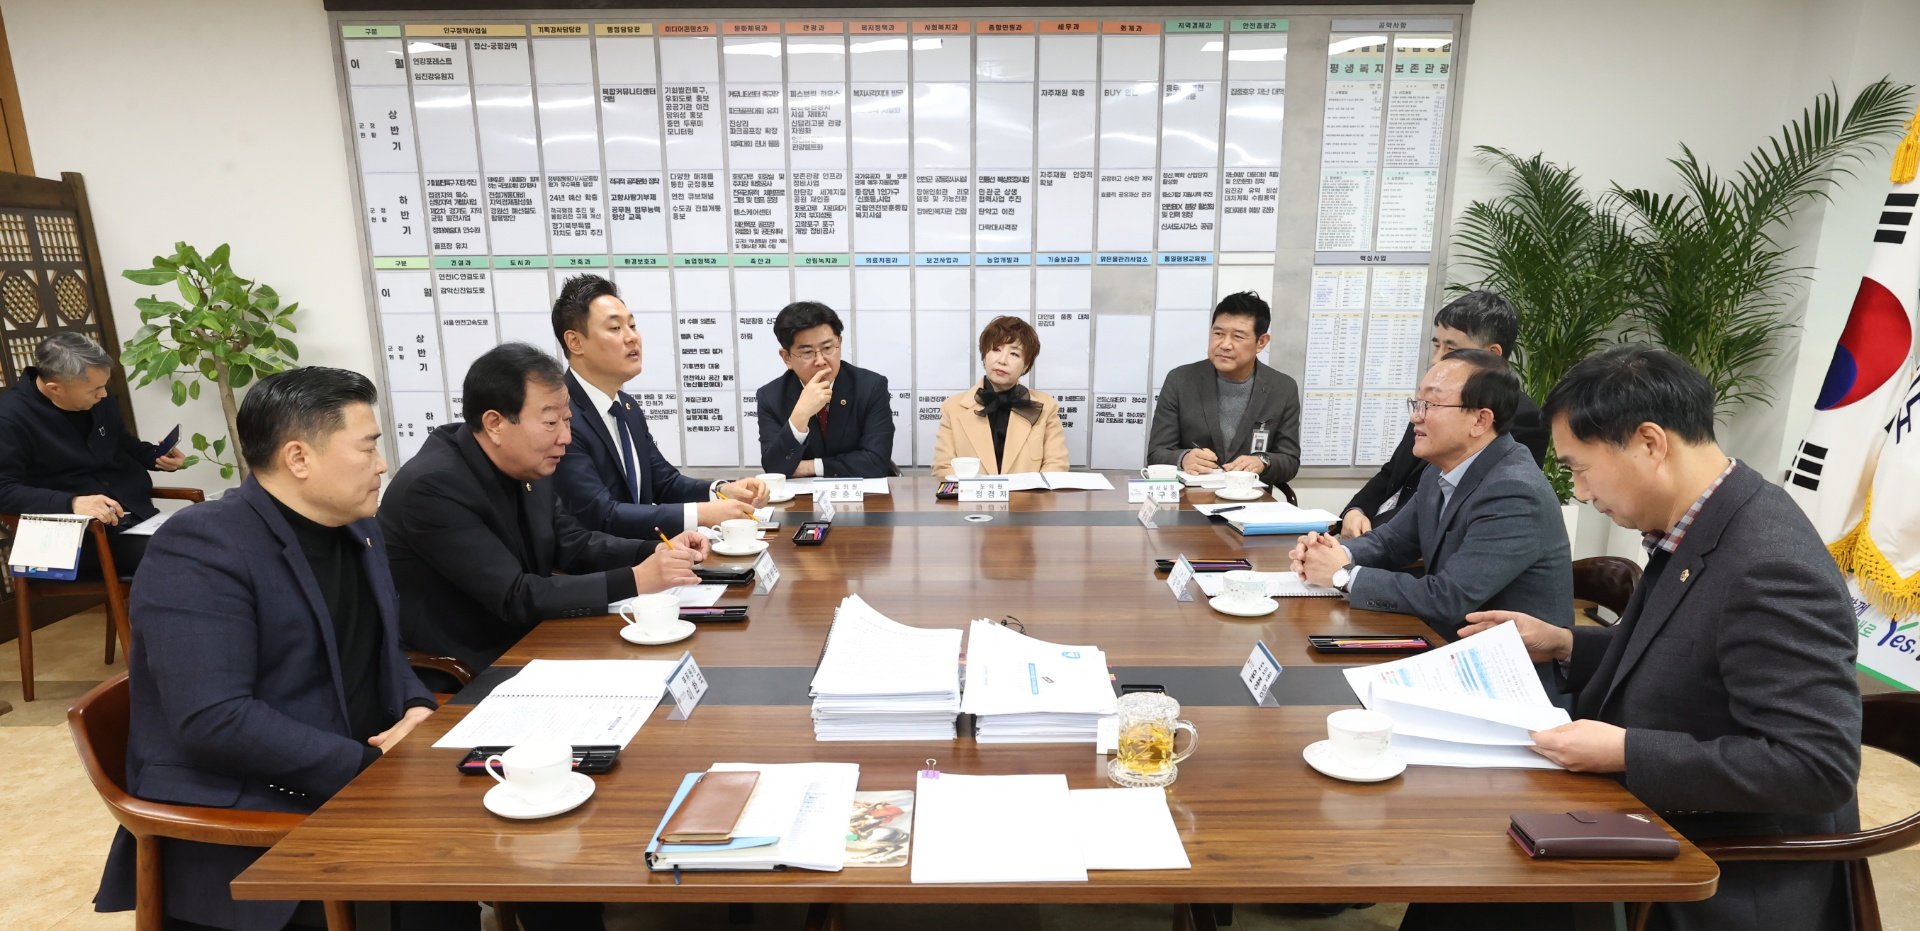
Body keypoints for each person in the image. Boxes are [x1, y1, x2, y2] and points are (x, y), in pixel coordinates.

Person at [1409, 346, 1861, 931]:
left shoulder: (1770, 564)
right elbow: (1684, 651)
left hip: (1715, 863)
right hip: (1645, 811)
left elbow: (1816, 766)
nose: (1580, 492)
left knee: (1475, 875)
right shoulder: (1705, 519)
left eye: (1579, 468)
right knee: (1461, 853)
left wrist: (1624, 750)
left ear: (1649, 443)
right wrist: (1564, 642)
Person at [93, 366, 457, 930]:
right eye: (368, 447)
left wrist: (415, 707)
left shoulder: (359, 529)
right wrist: (370, 770)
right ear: (299, 457)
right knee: (446, 873)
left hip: (363, 780)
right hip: (257, 814)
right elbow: (213, 719)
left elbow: (383, 651)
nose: (383, 464)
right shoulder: (202, 546)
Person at [384, 343, 705, 677]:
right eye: (551, 422)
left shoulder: (527, 463)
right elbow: (514, 596)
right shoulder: (434, 487)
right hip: (472, 666)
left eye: (567, 421)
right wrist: (637, 579)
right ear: (495, 423)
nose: (565, 437)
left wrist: (654, 551)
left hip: (534, 639)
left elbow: (573, 544)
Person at [1291, 349, 1571, 689]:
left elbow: (1449, 598)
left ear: (1480, 420)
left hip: (1507, 677)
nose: (1415, 417)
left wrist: (1342, 575)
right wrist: (1333, 551)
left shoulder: (1514, 491)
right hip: (1449, 650)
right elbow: (1391, 542)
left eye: (1431, 405)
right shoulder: (1441, 470)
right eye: (1417, 403)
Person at [549, 274, 765, 537]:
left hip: (649, 554)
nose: (632, 337)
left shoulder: (626, 407)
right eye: (615, 328)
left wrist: (721, 490)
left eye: (632, 326)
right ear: (575, 342)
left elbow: (664, 482)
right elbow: (600, 514)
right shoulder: (561, 417)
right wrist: (700, 514)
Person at [1337, 290, 1549, 537]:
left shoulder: (1522, 419)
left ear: (1492, 354)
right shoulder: (1433, 400)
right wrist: (1355, 510)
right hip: (1381, 532)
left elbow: (1454, 505)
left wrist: (1373, 538)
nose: (1437, 360)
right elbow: (1392, 472)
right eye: (1436, 346)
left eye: (1451, 350)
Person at [0, 331, 185, 574]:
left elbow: (119, 441)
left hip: (135, 517)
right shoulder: (10, 418)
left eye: (104, 385)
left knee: (209, 537)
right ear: (55, 388)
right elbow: (4, 490)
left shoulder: (98, 397)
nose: (104, 394)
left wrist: (154, 457)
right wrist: (73, 502)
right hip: (74, 538)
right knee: (180, 554)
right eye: (95, 389)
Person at [1145, 291, 1301, 488]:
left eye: (1238, 336)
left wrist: (1263, 462)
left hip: (1250, 498)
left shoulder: (1282, 388)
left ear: (1261, 342)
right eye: (1218, 333)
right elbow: (1157, 453)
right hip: (1191, 497)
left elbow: (1290, 460)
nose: (1225, 345)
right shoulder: (1180, 380)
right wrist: (1184, 458)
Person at [753, 300, 896, 478]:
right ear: (787, 357)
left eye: (828, 348)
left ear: (839, 343)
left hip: (861, 493)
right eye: (807, 352)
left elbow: (876, 462)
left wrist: (810, 467)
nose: (820, 361)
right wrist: (800, 415)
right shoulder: (770, 397)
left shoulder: (870, 387)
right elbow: (775, 468)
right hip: (801, 497)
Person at [930, 316, 1069, 477]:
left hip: (1028, 494)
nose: (1002, 360)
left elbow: (1056, 465)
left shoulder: (1046, 406)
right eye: (996, 349)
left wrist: (1029, 492)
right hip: (971, 494)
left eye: (1014, 354)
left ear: (1026, 366)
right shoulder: (952, 407)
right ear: (984, 355)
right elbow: (943, 468)